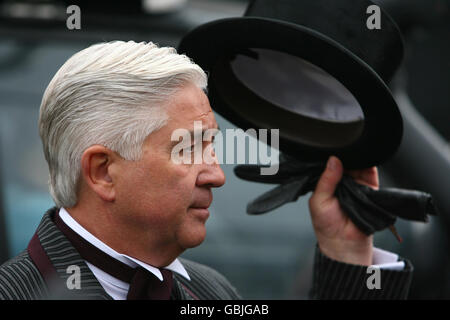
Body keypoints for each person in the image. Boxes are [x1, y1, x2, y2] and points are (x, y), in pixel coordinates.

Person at [0, 41, 412, 300]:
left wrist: (347, 253)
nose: (217, 175)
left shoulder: (210, 290)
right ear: (103, 172)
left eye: (211, 147)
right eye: (188, 148)